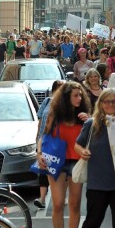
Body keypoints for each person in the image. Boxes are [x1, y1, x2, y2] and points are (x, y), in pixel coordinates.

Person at [36, 81, 90, 228]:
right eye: (75, 95)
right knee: (58, 204)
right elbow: (42, 136)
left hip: (76, 162)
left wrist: (90, 121)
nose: (79, 98)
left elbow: (95, 136)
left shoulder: (83, 116)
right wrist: (38, 154)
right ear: (66, 97)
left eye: (80, 95)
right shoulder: (55, 114)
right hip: (56, 161)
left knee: (75, 205)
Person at [73, 89, 115, 228]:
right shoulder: (91, 124)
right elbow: (78, 144)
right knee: (91, 225)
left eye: (114, 101)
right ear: (101, 104)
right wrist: (81, 152)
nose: (111, 104)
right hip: (97, 185)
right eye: (107, 101)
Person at [34, 80, 64, 209]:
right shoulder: (47, 101)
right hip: (44, 139)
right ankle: (42, 199)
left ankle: (62, 196)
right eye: (58, 88)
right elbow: (40, 120)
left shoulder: (66, 105)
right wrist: (37, 136)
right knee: (42, 168)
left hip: (58, 141)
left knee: (60, 169)